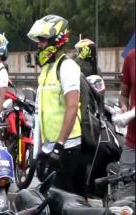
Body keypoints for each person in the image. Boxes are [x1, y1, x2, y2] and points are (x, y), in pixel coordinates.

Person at [28, 15, 86, 195]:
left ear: (56, 40)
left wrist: (59, 145)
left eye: (43, 40)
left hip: (66, 147)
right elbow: (41, 112)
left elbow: (72, 106)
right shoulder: (46, 69)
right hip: (49, 147)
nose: (39, 45)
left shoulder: (67, 66)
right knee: (50, 201)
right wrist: (39, 152)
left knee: (65, 201)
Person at [115, 48, 135, 171]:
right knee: (125, 187)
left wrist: (133, 113)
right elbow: (124, 94)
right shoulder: (131, 57)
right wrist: (124, 107)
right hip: (132, 142)